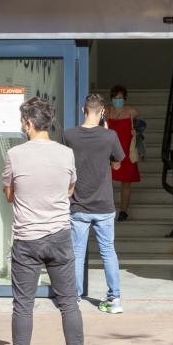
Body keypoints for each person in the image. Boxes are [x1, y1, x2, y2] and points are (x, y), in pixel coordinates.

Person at [0, 97, 98, 345]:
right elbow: (70, 188)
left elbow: (9, 193)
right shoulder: (66, 154)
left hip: (27, 239)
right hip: (60, 236)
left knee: (23, 305)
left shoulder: (15, 155)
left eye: (22, 122)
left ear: (28, 123)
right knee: (69, 304)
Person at [64, 94, 126, 314]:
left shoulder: (69, 135)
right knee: (108, 251)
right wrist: (107, 133)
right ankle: (114, 299)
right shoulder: (110, 136)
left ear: (83, 109)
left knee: (77, 252)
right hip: (104, 205)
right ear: (102, 112)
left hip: (78, 204)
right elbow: (118, 166)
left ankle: (75, 299)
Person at [107, 85, 140, 222]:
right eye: (115, 98)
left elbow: (139, 127)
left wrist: (136, 132)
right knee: (107, 182)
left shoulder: (132, 112)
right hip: (110, 151)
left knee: (126, 183)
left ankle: (123, 211)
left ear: (124, 98)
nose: (117, 100)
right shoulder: (107, 112)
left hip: (126, 151)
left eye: (120, 98)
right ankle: (107, 209)